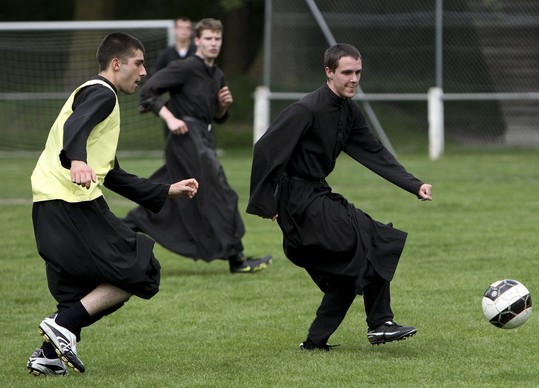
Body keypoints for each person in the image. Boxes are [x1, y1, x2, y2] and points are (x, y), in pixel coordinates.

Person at [27, 32, 199, 376]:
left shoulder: (96, 95)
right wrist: (75, 160)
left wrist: (165, 190)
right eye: (138, 63)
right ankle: (63, 326)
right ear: (116, 64)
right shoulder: (102, 93)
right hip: (70, 204)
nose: (144, 72)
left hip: (51, 205)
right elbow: (76, 127)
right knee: (142, 268)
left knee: (83, 292)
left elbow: (111, 173)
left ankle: (48, 353)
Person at [247, 43, 433, 350]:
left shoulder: (349, 111)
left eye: (358, 72)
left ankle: (315, 342)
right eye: (347, 72)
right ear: (329, 72)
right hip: (298, 201)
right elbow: (265, 149)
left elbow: (373, 151)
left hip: (317, 194)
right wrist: (266, 204)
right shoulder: (306, 109)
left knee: (348, 272)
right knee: (374, 238)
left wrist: (413, 185)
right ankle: (380, 324)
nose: (354, 79)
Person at [123, 18, 271, 274]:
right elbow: (148, 92)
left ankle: (125, 227)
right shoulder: (185, 67)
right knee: (221, 193)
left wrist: (223, 105)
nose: (213, 43)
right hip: (186, 140)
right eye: (208, 39)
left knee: (168, 193)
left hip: (201, 137)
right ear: (198, 41)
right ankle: (237, 260)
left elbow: (216, 117)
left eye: (217, 39)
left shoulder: (218, 74)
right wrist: (170, 119)